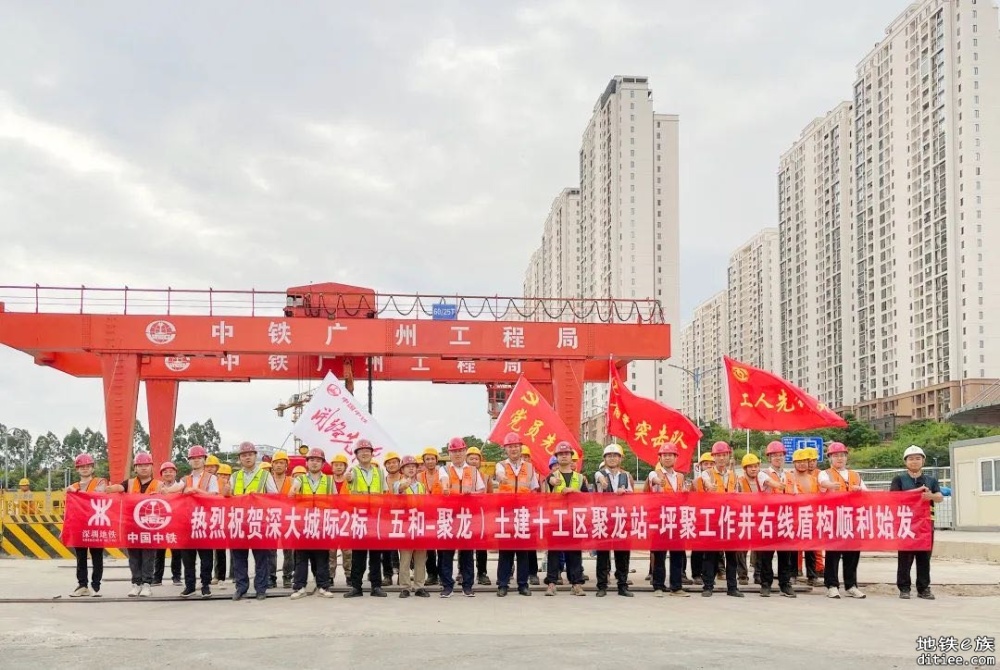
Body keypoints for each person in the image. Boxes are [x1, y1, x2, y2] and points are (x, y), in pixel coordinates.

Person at [223, 441, 277, 601]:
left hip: (258, 522)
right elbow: (228, 499)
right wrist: (226, 494)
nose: (247, 458)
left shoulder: (265, 475)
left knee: (261, 557)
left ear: (255, 456)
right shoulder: (234, 476)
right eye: (244, 455)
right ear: (240, 458)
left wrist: (260, 498)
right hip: (239, 522)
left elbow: (274, 496)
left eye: (250, 455)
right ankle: (241, 587)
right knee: (239, 558)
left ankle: (261, 588)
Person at [891, 445, 942, 600]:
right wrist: (914, 492)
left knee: (924, 558)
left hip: (925, 525)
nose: (914, 462)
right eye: (911, 459)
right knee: (905, 558)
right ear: (905, 462)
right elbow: (893, 497)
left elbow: (939, 497)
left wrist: (930, 496)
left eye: (918, 458)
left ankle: (924, 588)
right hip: (906, 524)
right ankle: (904, 588)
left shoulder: (931, 480)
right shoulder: (899, 479)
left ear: (923, 461)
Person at [105, 452, 159, 597]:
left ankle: (147, 584)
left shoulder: (158, 485)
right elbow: (119, 488)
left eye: (146, 465)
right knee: (134, 556)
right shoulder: (128, 483)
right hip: (132, 526)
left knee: (149, 556)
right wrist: (108, 489)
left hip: (150, 527)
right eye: (140, 465)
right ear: (135, 468)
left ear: (151, 467)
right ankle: (136, 583)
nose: (143, 468)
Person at [818, 442, 867, 599]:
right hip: (834, 518)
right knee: (833, 553)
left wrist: (860, 490)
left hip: (853, 519)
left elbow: (867, 493)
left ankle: (851, 585)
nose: (839, 458)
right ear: (830, 458)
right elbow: (823, 483)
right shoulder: (825, 473)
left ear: (846, 457)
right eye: (836, 455)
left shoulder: (855, 475)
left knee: (852, 554)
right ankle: (831, 585)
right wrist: (831, 485)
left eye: (842, 455)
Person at [439, 437, 485, 597]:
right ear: (449, 453)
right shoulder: (444, 469)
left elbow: (481, 491)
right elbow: (444, 483)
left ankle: (467, 585)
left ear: (465, 452)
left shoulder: (473, 470)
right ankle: (447, 585)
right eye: (454, 451)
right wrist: (445, 489)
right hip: (449, 517)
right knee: (447, 553)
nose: (457, 454)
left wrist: (470, 494)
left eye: (460, 451)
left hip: (467, 517)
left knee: (466, 552)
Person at [493, 433, 538, 597]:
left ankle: (523, 584)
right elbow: (498, 475)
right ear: (505, 449)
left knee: (523, 551)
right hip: (506, 513)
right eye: (510, 446)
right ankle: (503, 584)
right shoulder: (500, 466)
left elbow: (534, 489)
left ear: (521, 447)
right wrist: (502, 477)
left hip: (524, 513)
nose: (513, 449)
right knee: (505, 550)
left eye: (516, 446)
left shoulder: (530, 467)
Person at [288, 448, 336, 599]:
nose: (315, 463)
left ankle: (323, 586)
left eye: (318, 460)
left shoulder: (329, 480)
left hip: (322, 524)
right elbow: (290, 496)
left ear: (322, 464)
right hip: (303, 524)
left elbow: (336, 501)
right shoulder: (300, 479)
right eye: (312, 460)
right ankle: (299, 587)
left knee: (322, 557)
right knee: (301, 558)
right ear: (307, 463)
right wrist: (293, 493)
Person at [344, 438, 388, 598]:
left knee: (376, 554)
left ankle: (376, 586)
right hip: (359, 517)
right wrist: (348, 478)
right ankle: (356, 587)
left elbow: (384, 492)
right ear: (356, 455)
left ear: (371, 453)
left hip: (375, 517)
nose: (364, 453)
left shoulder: (379, 472)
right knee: (358, 555)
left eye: (367, 451)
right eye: (361, 451)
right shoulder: (353, 471)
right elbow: (348, 482)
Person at [699, 441, 743, 598]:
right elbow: (705, 482)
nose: (721, 458)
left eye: (724, 455)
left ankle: (732, 587)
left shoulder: (734, 475)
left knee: (732, 555)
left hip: (729, 519)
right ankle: (708, 586)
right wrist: (709, 486)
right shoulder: (707, 473)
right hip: (712, 519)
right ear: (714, 457)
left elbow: (738, 494)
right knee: (710, 554)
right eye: (718, 455)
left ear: (728, 456)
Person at [544, 441, 587, 596]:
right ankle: (551, 583)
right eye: (560, 454)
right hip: (556, 519)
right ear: (556, 457)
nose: (563, 456)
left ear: (571, 457)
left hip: (574, 519)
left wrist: (574, 492)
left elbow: (587, 498)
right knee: (554, 552)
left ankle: (576, 583)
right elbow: (544, 496)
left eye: (566, 454)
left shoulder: (580, 478)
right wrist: (550, 482)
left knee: (574, 552)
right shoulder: (551, 477)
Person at [646, 443, 689, 598]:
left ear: (676, 458)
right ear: (660, 458)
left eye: (671, 454)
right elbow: (654, 479)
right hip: (660, 518)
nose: (668, 457)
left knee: (678, 553)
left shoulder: (680, 476)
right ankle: (658, 585)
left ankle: (676, 586)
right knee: (659, 554)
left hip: (677, 518)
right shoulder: (654, 473)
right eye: (665, 455)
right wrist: (659, 481)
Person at [594, 444, 634, 598]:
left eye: (615, 455)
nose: (612, 458)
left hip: (621, 519)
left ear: (620, 459)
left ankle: (622, 585)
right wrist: (601, 480)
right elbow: (597, 477)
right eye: (609, 456)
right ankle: (602, 586)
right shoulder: (600, 474)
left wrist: (624, 493)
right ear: (604, 459)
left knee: (622, 555)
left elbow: (632, 497)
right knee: (603, 555)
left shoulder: (626, 476)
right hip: (604, 519)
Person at [757, 442, 797, 598]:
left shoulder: (790, 476)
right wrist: (778, 485)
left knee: (785, 555)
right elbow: (769, 483)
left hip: (785, 518)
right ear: (769, 457)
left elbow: (795, 495)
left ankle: (784, 584)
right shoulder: (763, 473)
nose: (778, 458)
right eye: (774, 455)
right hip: (769, 518)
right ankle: (765, 584)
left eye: (780, 455)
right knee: (766, 554)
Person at [177, 445, 218, 598]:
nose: (196, 461)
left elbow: (214, 496)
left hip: (204, 521)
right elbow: (173, 492)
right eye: (193, 458)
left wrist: (196, 491)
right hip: (187, 522)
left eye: (199, 458)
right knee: (187, 558)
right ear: (189, 461)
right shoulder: (184, 480)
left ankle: (205, 585)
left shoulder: (211, 478)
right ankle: (190, 586)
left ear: (204, 460)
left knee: (206, 557)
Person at [66, 453, 106, 597]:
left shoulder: (101, 482)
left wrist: (76, 492)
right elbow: (69, 510)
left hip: (96, 524)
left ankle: (95, 586)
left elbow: (97, 494)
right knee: (81, 557)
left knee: (97, 556)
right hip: (80, 526)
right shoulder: (73, 486)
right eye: (81, 466)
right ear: (77, 469)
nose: (84, 469)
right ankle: (82, 585)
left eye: (87, 466)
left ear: (92, 468)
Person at [394, 455, 430, 598]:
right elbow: (400, 489)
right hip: (405, 525)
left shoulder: (421, 486)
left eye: (413, 466)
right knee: (405, 557)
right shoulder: (399, 483)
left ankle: (419, 586)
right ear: (402, 469)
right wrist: (405, 484)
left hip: (420, 524)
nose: (411, 468)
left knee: (421, 558)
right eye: (408, 466)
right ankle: (405, 587)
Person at [417, 447, 445, 586]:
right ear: (423, 461)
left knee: (441, 547)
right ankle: (432, 574)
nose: (430, 461)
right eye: (427, 459)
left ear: (436, 460)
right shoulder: (419, 476)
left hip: (440, 515)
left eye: (432, 459)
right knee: (429, 547)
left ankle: (442, 574)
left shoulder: (443, 474)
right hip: (425, 515)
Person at [153, 461, 184, 587]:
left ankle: (176, 577)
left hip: (177, 523)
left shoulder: (181, 485)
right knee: (159, 552)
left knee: (177, 552)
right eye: (165, 472)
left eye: (171, 471)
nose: (168, 473)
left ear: (175, 473)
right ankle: (157, 578)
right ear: (161, 474)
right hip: (161, 523)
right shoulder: (157, 487)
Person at [465, 446, 492, 586]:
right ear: (466, 460)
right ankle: (462, 572)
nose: (474, 461)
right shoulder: (461, 474)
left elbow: (490, 496)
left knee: (481, 546)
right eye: (471, 458)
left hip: (480, 515)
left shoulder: (486, 477)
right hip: (464, 515)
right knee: (465, 545)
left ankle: (482, 573)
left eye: (476, 458)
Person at [268, 450, 294, 589]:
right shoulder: (267, 480)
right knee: (271, 549)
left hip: (287, 519)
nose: (279, 465)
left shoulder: (292, 481)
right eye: (276, 463)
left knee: (288, 550)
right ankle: (271, 576)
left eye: (282, 463)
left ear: (286, 465)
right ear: (272, 465)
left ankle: (287, 576)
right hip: (271, 518)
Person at [327, 455, 352, 584]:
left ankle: (349, 575)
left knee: (347, 551)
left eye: (341, 465)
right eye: (336, 465)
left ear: (345, 467)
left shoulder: (350, 481)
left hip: (346, 520)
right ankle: (330, 576)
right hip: (330, 520)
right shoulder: (327, 481)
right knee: (331, 550)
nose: (338, 467)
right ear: (332, 467)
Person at [213, 463, 232, 584]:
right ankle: (219, 576)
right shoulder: (214, 486)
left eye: (226, 475)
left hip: (230, 521)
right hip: (217, 521)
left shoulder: (231, 486)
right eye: (221, 475)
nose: (223, 477)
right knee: (218, 550)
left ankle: (229, 575)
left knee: (235, 550)